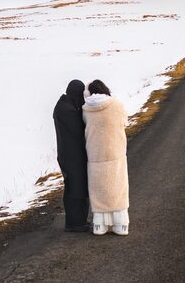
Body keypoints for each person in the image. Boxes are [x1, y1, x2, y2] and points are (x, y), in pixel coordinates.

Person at [81, 79, 130, 236]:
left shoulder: (86, 109)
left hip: (95, 155)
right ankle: (121, 225)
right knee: (118, 188)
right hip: (115, 153)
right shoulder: (117, 105)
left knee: (98, 189)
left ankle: (99, 225)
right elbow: (124, 122)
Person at [52, 79, 90, 232]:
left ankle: (77, 221)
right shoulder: (67, 110)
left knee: (75, 187)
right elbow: (79, 130)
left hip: (69, 155)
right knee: (76, 188)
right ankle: (75, 223)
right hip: (72, 156)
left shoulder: (65, 105)